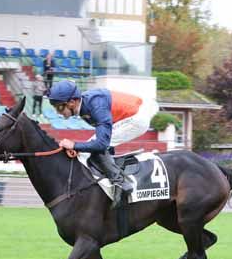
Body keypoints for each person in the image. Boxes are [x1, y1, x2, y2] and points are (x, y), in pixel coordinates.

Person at [48, 80, 159, 208]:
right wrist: (79, 148)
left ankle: (121, 184)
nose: (57, 112)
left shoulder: (96, 106)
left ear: (72, 102)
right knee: (94, 147)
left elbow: (101, 144)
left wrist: (75, 145)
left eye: (59, 107)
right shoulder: (85, 106)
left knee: (97, 146)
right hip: (132, 114)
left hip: (136, 119)